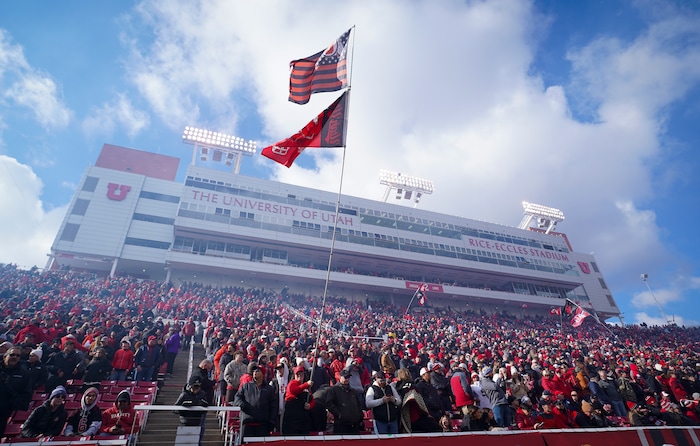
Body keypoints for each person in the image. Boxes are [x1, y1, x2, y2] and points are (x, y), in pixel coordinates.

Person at [234, 363, 276, 441]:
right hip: (247, 423)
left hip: (263, 425)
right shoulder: (246, 386)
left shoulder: (269, 389)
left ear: (263, 374)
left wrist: (272, 421)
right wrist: (242, 404)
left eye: (257, 371)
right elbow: (237, 397)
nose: (255, 372)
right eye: (254, 371)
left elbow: (273, 406)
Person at [0, 346, 32, 436]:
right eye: (12, 354)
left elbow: (27, 394)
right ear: (4, 356)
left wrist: (13, 405)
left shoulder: (24, 374)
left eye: (18, 356)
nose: (15, 357)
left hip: (7, 413)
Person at [326, 368, 364, 434]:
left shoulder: (353, 391)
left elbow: (358, 405)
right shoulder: (333, 390)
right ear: (340, 377)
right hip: (341, 425)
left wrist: (360, 417)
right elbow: (329, 404)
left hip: (354, 424)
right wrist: (339, 414)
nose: (347, 379)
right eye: (345, 377)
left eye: (348, 377)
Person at [282, 365, 315, 435]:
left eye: (301, 374)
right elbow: (294, 390)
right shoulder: (292, 383)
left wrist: (310, 405)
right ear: (294, 375)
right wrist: (306, 384)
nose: (299, 376)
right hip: (292, 417)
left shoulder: (307, 388)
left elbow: (312, 400)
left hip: (303, 418)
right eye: (297, 374)